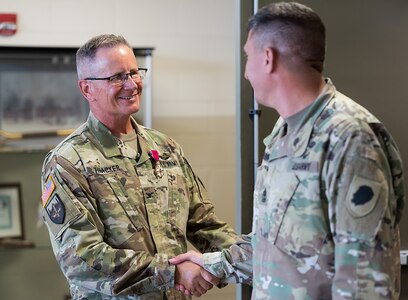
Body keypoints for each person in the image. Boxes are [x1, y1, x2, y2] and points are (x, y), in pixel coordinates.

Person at [170, 2, 405, 299]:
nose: (245, 73)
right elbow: (275, 247)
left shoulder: (349, 138)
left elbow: (366, 282)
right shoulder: (284, 132)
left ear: (267, 58)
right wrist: (212, 264)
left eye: (247, 57)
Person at [40, 34, 239, 300]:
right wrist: (174, 272)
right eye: (117, 77)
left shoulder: (166, 147)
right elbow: (81, 259)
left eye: (135, 72)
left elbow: (204, 224)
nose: (131, 84)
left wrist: (250, 259)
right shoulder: (68, 161)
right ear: (87, 89)